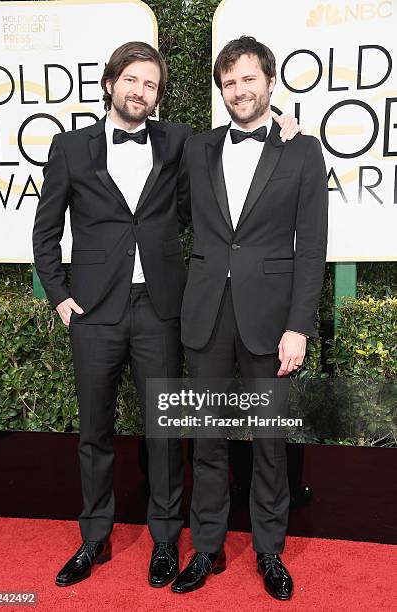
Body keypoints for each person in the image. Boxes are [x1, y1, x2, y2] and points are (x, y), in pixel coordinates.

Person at [32, 40, 301, 589]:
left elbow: (233, 167)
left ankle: (164, 541)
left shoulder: (181, 141)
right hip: (93, 311)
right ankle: (93, 539)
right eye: (131, 80)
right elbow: (45, 231)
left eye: (151, 84)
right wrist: (58, 293)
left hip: (162, 308)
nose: (140, 91)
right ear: (110, 84)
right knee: (94, 431)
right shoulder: (68, 147)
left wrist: (283, 122)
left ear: (159, 96)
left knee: (166, 431)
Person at [172, 36, 328, 600]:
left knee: (269, 441)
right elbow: (179, 210)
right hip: (206, 314)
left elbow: (311, 248)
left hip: (271, 320)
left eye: (249, 79)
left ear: (269, 82)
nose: (240, 89)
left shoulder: (303, 151)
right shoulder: (197, 148)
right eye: (230, 82)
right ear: (221, 90)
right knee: (207, 440)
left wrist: (298, 327)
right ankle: (206, 548)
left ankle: (269, 551)